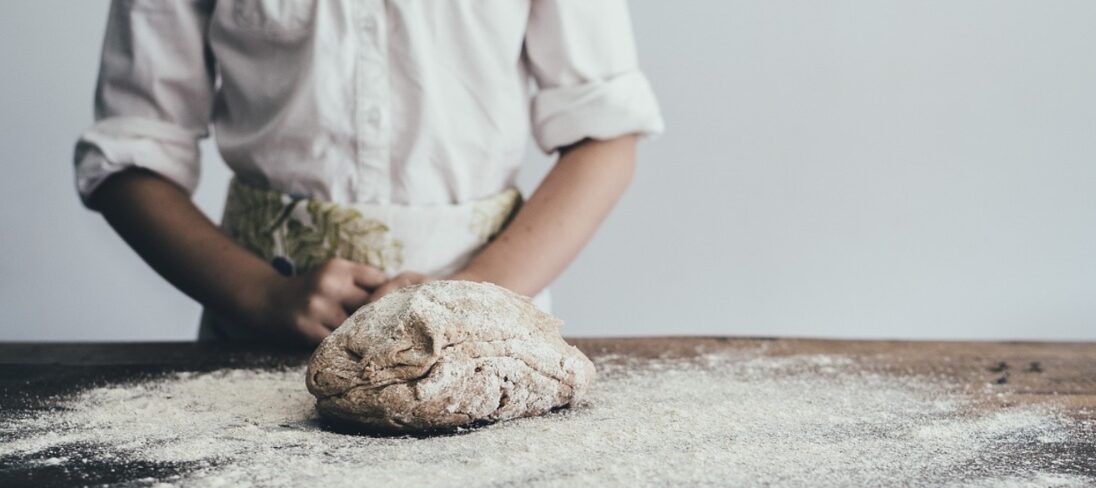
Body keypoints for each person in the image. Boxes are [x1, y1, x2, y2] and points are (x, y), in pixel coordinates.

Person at [74, 1, 663, 345]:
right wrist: (260, 296)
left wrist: (475, 298)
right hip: (262, 334)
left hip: (487, 331)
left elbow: (603, 134)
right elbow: (131, 151)